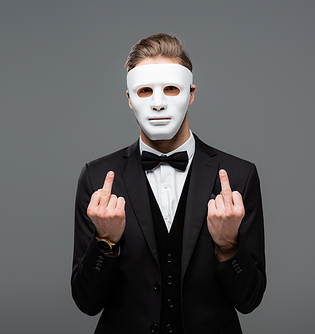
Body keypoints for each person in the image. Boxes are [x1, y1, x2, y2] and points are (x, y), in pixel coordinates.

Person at [71, 33, 266, 334]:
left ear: (190, 93)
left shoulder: (239, 176)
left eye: (171, 89)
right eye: (145, 90)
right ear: (129, 99)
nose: (158, 104)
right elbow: (87, 302)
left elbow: (250, 299)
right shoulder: (98, 178)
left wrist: (229, 246)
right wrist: (105, 242)